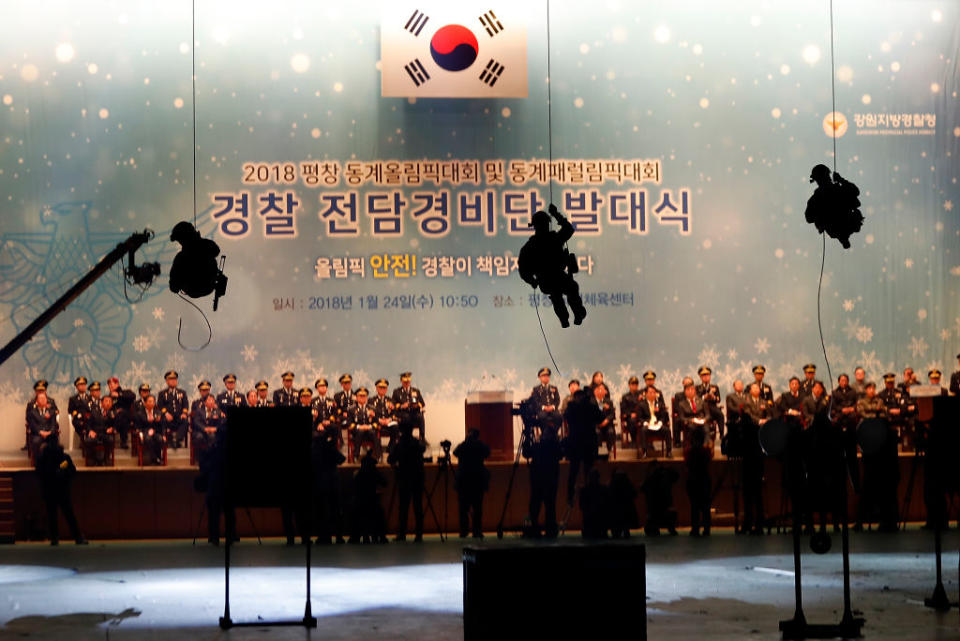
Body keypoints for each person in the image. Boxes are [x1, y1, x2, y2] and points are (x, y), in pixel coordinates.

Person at [517, 203, 587, 328]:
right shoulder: (550, 239)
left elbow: (523, 268)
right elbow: (523, 268)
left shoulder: (535, 244)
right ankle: (570, 316)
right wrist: (556, 215)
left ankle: (571, 316)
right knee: (564, 292)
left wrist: (532, 281)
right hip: (550, 279)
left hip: (550, 279)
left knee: (566, 291)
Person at [855, 382, 897, 532]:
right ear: (866, 390)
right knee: (867, 488)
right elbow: (863, 413)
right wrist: (875, 412)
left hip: (881, 450)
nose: (872, 391)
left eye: (873, 388)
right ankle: (862, 520)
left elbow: (884, 412)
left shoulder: (880, 400)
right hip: (868, 443)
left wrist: (875, 412)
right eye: (869, 388)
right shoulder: (862, 401)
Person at [36, 442, 87, 545]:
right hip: (61, 489)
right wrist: (62, 474)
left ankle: (55, 538)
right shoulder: (64, 457)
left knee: (53, 515)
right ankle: (77, 537)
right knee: (68, 515)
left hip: (51, 490)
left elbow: (39, 473)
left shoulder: (43, 459)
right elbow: (72, 471)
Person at [805, 164, 863, 249]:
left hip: (843, 224)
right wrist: (841, 180)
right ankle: (843, 236)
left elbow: (855, 192)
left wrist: (840, 180)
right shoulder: (818, 197)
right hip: (840, 225)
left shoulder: (818, 197)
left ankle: (843, 236)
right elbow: (809, 218)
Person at [742, 382, 772, 535]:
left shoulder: (764, 402)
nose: (757, 390)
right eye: (754, 388)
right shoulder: (746, 402)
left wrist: (765, 420)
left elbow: (769, 413)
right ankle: (749, 522)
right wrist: (759, 421)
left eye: (758, 388)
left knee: (757, 492)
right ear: (750, 390)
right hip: (751, 444)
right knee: (748, 492)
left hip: (760, 445)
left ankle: (758, 523)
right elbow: (748, 416)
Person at [523, 424, 562, 539]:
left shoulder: (537, 446)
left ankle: (534, 529)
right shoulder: (555, 446)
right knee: (550, 505)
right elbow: (561, 455)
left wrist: (527, 440)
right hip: (551, 479)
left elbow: (526, 453)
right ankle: (550, 530)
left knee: (535, 504)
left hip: (538, 479)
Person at [388, 422, 425, 542]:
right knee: (418, 506)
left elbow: (391, 459)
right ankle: (419, 534)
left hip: (404, 478)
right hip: (417, 477)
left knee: (403, 507)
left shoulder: (400, 444)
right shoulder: (416, 443)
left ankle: (402, 533)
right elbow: (423, 449)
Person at [563, 389, 601, 505]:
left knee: (573, 470)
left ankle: (570, 497)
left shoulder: (571, 407)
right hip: (588, 442)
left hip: (575, 441)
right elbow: (600, 418)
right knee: (588, 470)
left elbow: (566, 418)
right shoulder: (591, 406)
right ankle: (590, 495)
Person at [454, 428, 490, 539]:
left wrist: (466, 442)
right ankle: (477, 531)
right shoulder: (480, 445)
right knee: (477, 508)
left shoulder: (463, 445)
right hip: (477, 480)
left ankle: (464, 531)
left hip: (464, 479)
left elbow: (455, 452)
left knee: (463, 508)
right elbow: (487, 453)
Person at [313, 425, 346, 544]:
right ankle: (338, 536)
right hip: (333, 481)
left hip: (321, 482)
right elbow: (342, 459)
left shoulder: (319, 447)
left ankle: (324, 536)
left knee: (323, 511)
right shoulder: (330, 448)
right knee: (336, 510)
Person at [830, 374, 861, 493]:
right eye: (841, 380)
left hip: (851, 426)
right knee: (839, 458)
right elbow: (833, 408)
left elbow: (856, 404)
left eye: (845, 380)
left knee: (852, 457)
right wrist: (843, 410)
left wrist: (850, 409)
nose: (843, 382)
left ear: (848, 381)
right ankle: (839, 487)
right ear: (838, 381)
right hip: (839, 427)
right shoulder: (834, 392)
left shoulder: (853, 392)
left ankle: (856, 487)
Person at [350, 450, 388, 544]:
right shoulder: (374, 472)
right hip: (372, 502)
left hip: (360, 502)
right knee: (379, 513)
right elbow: (385, 483)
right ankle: (381, 536)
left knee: (356, 512)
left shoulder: (358, 474)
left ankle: (356, 537)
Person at [685, 423, 714, 537]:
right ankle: (706, 528)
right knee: (706, 506)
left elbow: (687, 464)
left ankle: (695, 528)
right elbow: (709, 459)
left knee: (694, 506)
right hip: (704, 479)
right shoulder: (705, 451)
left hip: (693, 479)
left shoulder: (689, 452)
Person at [640, 460, 679, 536]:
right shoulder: (666, 477)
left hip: (654, 507)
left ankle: (655, 527)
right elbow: (676, 476)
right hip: (665, 505)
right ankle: (669, 526)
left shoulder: (651, 478)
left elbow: (643, 488)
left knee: (653, 514)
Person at [637, 384, 670, 457]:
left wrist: (660, 422)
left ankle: (669, 452)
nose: (653, 394)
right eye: (650, 392)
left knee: (667, 430)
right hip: (648, 425)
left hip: (657, 425)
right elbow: (640, 418)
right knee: (643, 430)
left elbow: (663, 416)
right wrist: (646, 423)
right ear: (645, 394)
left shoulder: (660, 404)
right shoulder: (641, 405)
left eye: (654, 392)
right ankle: (644, 452)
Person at [158, 370, 189, 448]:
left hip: (179, 417)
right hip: (168, 418)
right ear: (167, 381)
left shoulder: (182, 392)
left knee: (185, 422)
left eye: (175, 379)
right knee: (163, 420)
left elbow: (186, 404)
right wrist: (166, 413)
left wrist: (184, 413)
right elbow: (160, 406)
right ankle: (167, 440)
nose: (173, 381)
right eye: (171, 379)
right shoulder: (162, 393)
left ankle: (177, 440)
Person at [24, 380, 58, 451]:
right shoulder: (31, 403)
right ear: (36, 392)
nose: (40, 392)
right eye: (38, 391)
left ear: (45, 391)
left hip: (48, 427)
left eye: (42, 391)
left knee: (54, 439)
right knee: (35, 440)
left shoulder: (51, 401)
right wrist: (39, 431)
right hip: (37, 428)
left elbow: (56, 412)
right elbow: (28, 417)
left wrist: (50, 414)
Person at [392, 372, 426, 443]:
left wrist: (417, 405)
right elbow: (393, 405)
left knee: (420, 416)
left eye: (408, 381)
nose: (407, 383)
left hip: (414, 413)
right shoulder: (397, 392)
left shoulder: (416, 391)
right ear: (401, 381)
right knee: (406, 417)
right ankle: (406, 437)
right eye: (405, 381)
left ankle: (422, 437)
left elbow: (422, 403)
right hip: (403, 413)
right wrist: (402, 406)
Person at [346, 387, 379, 460]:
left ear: (367, 397)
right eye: (360, 396)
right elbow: (349, 423)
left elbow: (376, 422)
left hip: (369, 430)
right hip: (357, 431)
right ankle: (356, 455)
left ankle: (377, 455)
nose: (362, 398)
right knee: (360, 432)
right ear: (356, 397)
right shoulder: (351, 409)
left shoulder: (372, 408)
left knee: (373, 433)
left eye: (364, 396)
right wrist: (359, 427)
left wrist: (369, 426)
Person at [27, 390, 59, 460]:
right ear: (37, 401)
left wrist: (50, 432)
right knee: (36, 442)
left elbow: (54, 424)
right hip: (38, 434)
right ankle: (37, 462)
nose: (43, 400)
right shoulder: (32, 412)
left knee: (54, 441)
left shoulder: (51, 411)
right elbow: (32, 425)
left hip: (49, 433)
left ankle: (53, 462)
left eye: (44, 399)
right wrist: (40, 432)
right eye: (40, 399)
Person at [579, 468, 610, 540]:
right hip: (599, 523)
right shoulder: (603, 489)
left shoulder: (585, 490)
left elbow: (582, 506)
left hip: (590, 523)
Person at [696, 366, 725, 439]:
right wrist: (703, 397)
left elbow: (718, 400)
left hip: (712, 407)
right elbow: (695, 399)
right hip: (701, 408)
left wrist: (713, 397)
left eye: (707, 375)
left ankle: (721, 434)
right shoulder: (697, 387)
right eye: (704, 376)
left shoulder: (715, 387)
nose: (706, 377)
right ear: (700, 377)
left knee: (720, 415)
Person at [529, 367, 562, 432]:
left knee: (559, 417)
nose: (546, 377)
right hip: (542, 410)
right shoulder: (536, 389)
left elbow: (557, 400)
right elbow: (536, 401)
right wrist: (544, 407)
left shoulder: (554, 388)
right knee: (542, 417)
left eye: (547, 376)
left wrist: (553, 407)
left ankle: (554, 433)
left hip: (553, 409)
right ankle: (545, 435)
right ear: (539, 377)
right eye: (544, 376)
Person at [135, 394, 164, 465]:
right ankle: (155, 459)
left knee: (159, 439)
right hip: (145, 433)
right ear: (145, 403)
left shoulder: (158, 413)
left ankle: (159, 458)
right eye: (149, 401)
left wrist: (158, 422)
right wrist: (143, 433)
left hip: (156, 432)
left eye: (153, 401)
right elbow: (138, 427)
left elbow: (162, 426)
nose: (151, 403)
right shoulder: (139, 413)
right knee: (148, 439)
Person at [107, 377, 136, 448]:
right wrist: (114, 412)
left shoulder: (125, 392)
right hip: (113, 417)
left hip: (125, 418)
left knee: (123, 414)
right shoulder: (109, 397)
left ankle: (117, 431)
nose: (110, 386)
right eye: (109, 384)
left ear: (117, 384)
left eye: (112, 384)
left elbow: (133, 396)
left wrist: (118, 395)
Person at [608, 469, 639, 538]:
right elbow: (634, 494)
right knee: (625, 527)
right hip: (624, 511)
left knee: (618, 531)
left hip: (618, 512)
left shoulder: (613, 485)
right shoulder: (627, 485)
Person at [371, 378, 397, 450]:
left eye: (384, 388)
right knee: (374, 428)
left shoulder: (391, 400)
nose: (382, 389)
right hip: (377, 422)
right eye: (380, 387)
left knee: (395, 427)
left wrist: (389, 419)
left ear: (386, 389)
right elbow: (370, 414)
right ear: (376, 388)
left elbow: (394, 413)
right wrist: (379, 420)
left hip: (388, 423)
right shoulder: (371, 400)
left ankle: (390, 448)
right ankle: (377, 450)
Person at [68, 376, 94, 445]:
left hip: (89, 419)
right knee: (80, 424)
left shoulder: (90, 398)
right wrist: (78, 415)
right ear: (77, 387)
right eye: (80, 385)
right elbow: (70, 410)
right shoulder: (73, 399)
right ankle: (85, 441)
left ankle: (88, 441)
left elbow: (93, 409)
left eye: (84, 385)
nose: (83, 387)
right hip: (79, 419)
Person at [592, 382, 617, 455]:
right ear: (594, 391)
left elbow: (612, 414)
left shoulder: (609, 401)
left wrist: (606, 420)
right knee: (596, 432)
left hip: (607, 424)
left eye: (602, 389)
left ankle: (609, 451)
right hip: (595, 425)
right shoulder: (591, 401)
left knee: (610, 432)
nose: (601, 391)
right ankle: (598, 451)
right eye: (598, 389)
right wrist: (601, 405)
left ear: (605, 391)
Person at [620, 376, 643, 449]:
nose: (634, 386)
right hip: (630, 417)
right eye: (632, 384)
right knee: (632, 421)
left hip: (640, 416)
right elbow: (623, 409)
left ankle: (646, 442)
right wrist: (630, 414)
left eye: (636, 384)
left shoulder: (641, 395)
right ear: (629, 385)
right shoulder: (625, 396)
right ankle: (634, 441)